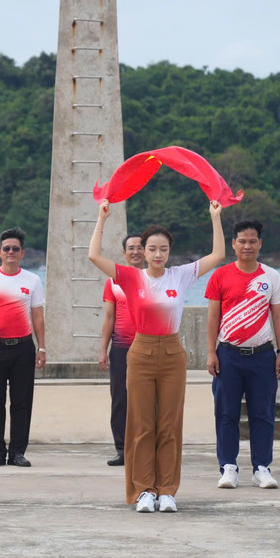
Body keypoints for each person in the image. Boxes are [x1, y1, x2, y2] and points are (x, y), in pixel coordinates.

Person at [88, 198, 227, 514]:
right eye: (152, 249)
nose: (157, 254)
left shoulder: (180, 275)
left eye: (163, 249)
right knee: (141, 425)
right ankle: (143, 491)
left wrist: (215, 217)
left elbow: (218, 255)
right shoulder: (130, 277)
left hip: (172, 354)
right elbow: (93, 255)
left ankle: (167, 491)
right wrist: (101, 218)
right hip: (140, 352)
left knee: (168, 425)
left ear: (169, 252)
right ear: (143, 251)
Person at [205, 220, 280, 490]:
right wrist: (210, 352)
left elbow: (278, 316)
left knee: (262, 413)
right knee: (226, 413)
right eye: (242, 241)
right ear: (233, 244)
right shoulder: (220, 275)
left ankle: (261, 468)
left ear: (260, 244)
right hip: (228, 354)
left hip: (262, 355)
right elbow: (213, 315)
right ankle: (228, 467)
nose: (247, 246)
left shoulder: (271, 277)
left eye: (252, 241)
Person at [0, 227, 46, 468]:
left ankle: (17, 452)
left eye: (15, 249)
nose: (11, 252)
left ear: (22, 253)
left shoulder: (32, 280)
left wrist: (41, 348)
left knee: (22, 401)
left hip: (23, 348)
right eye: (7, 249)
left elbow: (38, 317)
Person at [98, 233, 145, 466]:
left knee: (149, 400)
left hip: (148, 347)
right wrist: (102, 350)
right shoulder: (113, 281)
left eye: (140, 247)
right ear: (124, 253)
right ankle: (122, 449)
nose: (136, 251)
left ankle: (147, 449)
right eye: (131, 248)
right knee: (120, 399)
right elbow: (109, 317)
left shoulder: (154, 278)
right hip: (120, 348)